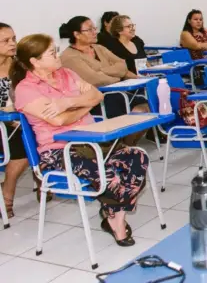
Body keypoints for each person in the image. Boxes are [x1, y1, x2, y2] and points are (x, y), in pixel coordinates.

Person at [11, 33, 150, 246]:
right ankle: (117, 222)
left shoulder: (66, 74)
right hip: (58, 151)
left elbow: (97, 95)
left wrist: (67, 103)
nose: (58, 56)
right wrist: (84, 105)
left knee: (137, 157)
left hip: (91, 142)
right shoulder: (26, 89)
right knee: (109, 175)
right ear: (35, 61)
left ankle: (114, 215)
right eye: (52, 53)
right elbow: (58, 121)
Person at [59, 17, 149, 144]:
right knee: (131, 108)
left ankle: (127, 143)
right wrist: (116, 75)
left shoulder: (99, 48)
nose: (95, 32)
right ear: (77, 34)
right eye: (90, 30)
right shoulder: (69, 57)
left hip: (116, 92)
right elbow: (96, 80)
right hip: (97, 99)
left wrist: (102, 70)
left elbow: (122, 65)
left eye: (94, 28)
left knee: (147, 107)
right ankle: (120, 144)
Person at [0, 23, 52, 217]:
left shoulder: (21, 65)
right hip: (3, 123)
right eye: (6, 41)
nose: (12, 44)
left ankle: (42, 180)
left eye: (13, 39)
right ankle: (7, 195)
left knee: (44, 131)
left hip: (24, 118)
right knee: (22, 144)